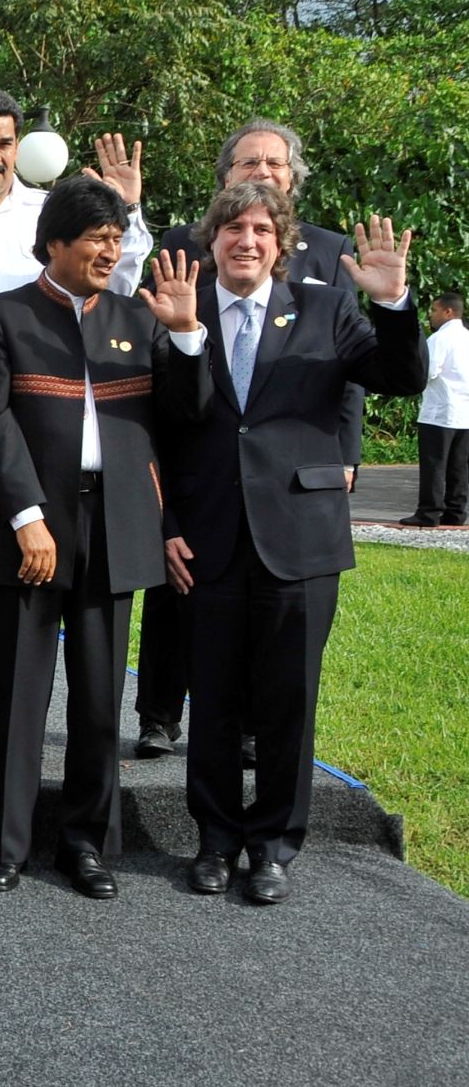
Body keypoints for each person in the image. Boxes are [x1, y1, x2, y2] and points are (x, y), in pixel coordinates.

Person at [161, 184, 425, 904]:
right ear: (210, 241)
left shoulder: (326, 308)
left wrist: (392, 304)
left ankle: (273, 846)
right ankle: (215, 840)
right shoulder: (180, 307)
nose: (245, 240)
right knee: (212, 699)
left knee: (288, 700)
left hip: (301, 539)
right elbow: (167, 423)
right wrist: (168, 525)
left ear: (278, 244)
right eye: (231, 229)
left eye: (259, 229)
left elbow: (400, 379)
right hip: (208, 535)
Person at [0, 176, 210, 900]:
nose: (112, 249)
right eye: (98, 237)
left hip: (117, 524)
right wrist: (28, 514)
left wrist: (188, 334)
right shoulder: (2, 316)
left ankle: (87, 843)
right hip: (31, 527)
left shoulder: (144, 316)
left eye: (117, 237)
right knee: (14, 693)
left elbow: (187, 417)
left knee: (99, 698)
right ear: (56, 242)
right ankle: (6, 844)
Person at [0, 88, 152, 765]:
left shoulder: (56, 213)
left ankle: (11, 726)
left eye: (4, 143)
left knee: (21, 574)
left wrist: (124, 213)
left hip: (28, 424)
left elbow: (115, 295)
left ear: (20, 146)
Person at [136, 118, 364, 760]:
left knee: (274, 641)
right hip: (199, 462)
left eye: (275, 164)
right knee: (180, 598)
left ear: (292, 180)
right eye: (248, 163)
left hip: (289, 473)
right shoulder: (183, 247)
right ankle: (158, 712)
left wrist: (346, 453)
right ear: (224, 180)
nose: (262, 173)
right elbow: (161, 377)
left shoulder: (332, 252)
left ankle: (252, 737)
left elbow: (350, 371)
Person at [400, 293, 467, 526]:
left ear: (448, 312)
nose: (431, 315)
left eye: (434, 310)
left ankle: (429, 512)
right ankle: (456, 511)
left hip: (439, 412)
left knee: (434, 465)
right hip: (464, 413)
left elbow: (427, 371)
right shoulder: (467, 338)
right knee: (459, 467)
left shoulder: (440, 339)